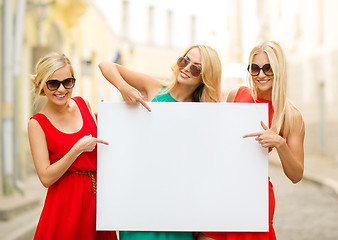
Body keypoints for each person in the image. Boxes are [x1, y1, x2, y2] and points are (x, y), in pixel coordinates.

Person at [99, 44, 222, 240]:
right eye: (185, 60)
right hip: (139, 196)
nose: (186, 68)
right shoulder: (155, 88)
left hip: (177, 204)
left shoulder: (204, 113)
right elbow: (106, 65)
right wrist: (125, 89)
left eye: (196, 68)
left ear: (205, 76)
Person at [199, 40, 305, 240]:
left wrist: (280, 144)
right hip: (223, 188)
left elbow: (296, 175)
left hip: (255, 195)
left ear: (279, 69)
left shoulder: (291, 116)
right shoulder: (236, 95)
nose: (261, 75)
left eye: (268, 68)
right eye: (255, 69)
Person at [28, 52, 117, 240]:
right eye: (53, 83)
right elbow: (45, 177)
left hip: (96, 200)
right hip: (65, 204)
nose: (61, 89)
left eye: (67, 82)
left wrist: (106, 127)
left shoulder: (83, 104)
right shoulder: (37, 123)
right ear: (43, 84)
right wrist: (76, 149)